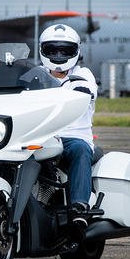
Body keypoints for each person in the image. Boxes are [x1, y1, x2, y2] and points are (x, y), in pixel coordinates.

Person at [39, 24, 98, 237]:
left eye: (65, 50)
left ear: (76, 51)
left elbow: (88, 89)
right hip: (42, 136)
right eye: (52, 49)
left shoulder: (83, 74)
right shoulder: (35, 75)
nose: (58, 55)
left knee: (81, 150)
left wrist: (82, 92)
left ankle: (79, 207)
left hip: (72, 137)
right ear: (42, 50)